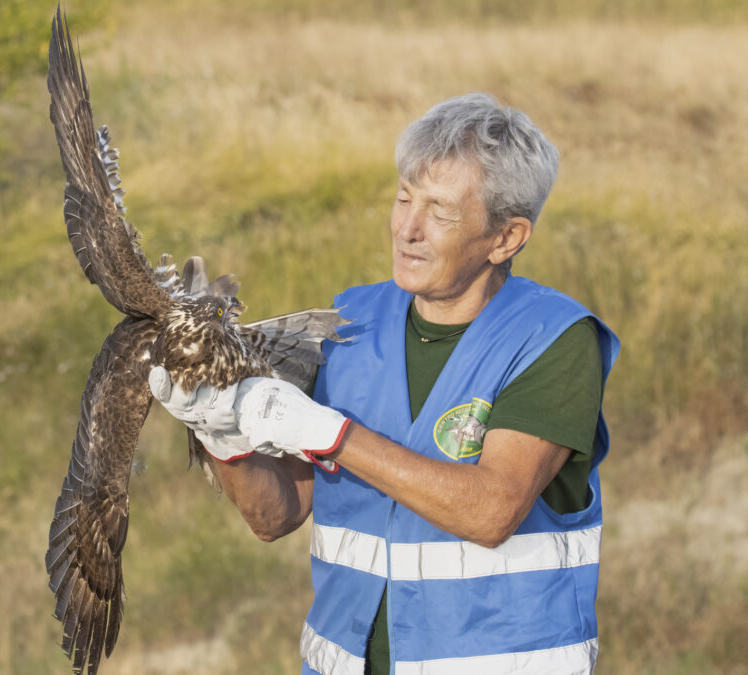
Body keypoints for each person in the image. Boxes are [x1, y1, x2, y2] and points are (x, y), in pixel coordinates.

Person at [150, 92, 619, 675]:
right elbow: (277, 515)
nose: (408, 228)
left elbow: (493, 512)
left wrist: (331, 433)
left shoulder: (552, 338)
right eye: (403, 197)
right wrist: (219, 435)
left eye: (440, 211)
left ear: (506, 238)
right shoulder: (351, 323)